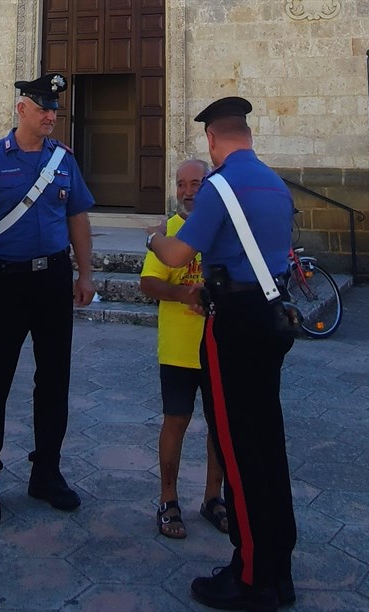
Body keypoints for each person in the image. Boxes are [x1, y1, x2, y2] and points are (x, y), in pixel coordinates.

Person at [146, 96, 297, 612]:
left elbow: (179, 253)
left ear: (212, 140)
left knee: (238, 448)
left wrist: (153, 237)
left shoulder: (221, 186)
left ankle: (252, 577)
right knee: (268, 443)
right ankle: (279, 567)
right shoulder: (275, 184)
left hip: (234, 321)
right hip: (272, 318)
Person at [0, 73, 95, 526]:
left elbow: (77, 215)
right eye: (43, 108)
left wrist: (86, 272)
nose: (51, 116)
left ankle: (46, 472)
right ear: (21, 109)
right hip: (3, 281)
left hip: (53, 281)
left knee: (54, 378)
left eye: (55, 109)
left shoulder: (64, 161)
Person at [140, 158, 229, 540]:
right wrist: (183, 293)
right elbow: (148, 282)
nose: (188, 191)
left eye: (196, 183)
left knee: (218, 426)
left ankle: (213, 497)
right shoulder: (170, 231)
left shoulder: (223, 234)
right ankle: (168, 498)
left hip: (220, 345)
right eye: (181, 184)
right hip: (178, 348)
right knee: (175, 420)